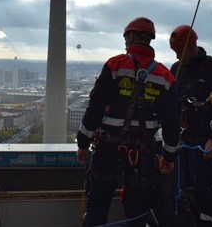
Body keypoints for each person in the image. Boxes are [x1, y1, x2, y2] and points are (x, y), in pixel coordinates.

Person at [76, 17, 181, 227]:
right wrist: (169, 156)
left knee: (97, 207)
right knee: (137, 211)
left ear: (131, 37)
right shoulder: (165, 76)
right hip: (142, 154)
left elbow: (95, 107)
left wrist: (83, 143)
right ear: (149, 40)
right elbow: (172, 121)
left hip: (108, 149)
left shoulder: (115, 65)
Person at [168, 25, 212, 226]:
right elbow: (170, 105)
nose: (179, 56)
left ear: (194, 46)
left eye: (181, 51)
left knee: (203, 189)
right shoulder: (176, 69)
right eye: (175, 52)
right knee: (177, 188)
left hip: (204, 139)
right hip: (182, 138)